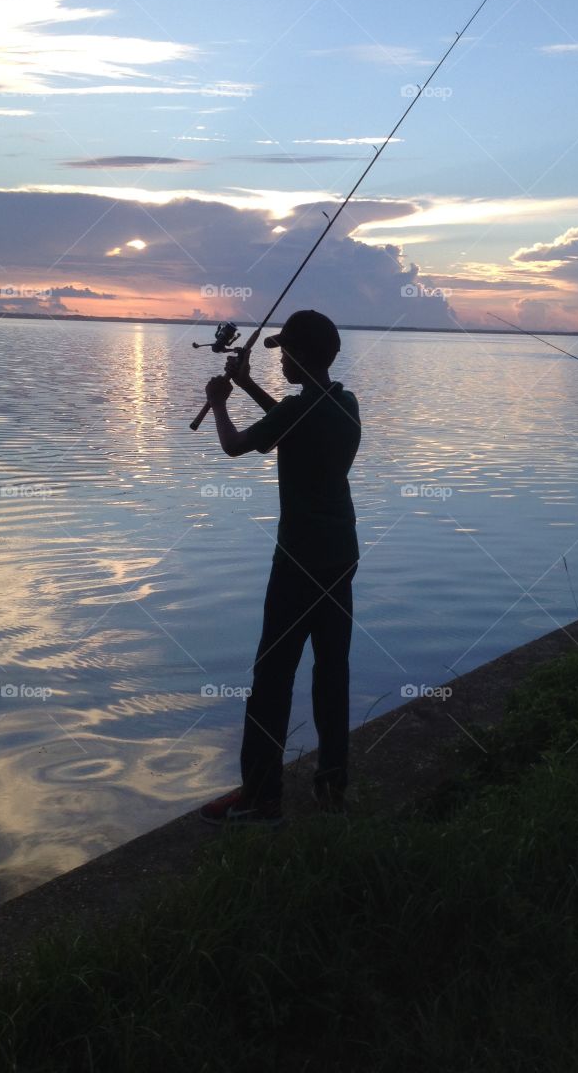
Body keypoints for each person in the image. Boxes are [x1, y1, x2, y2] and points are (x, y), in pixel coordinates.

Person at [199, 310, 361, 825]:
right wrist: (247, 385)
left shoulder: (300, 411)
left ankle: (261, 796)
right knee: (331, 674)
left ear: (301, 356)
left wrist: (220, 403)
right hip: (340, 558)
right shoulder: (344, 405)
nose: (282, 359)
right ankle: (332, 787)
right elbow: (286, 428)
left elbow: (236, 445)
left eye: (286, 352)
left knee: (272, 678)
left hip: (298, 563)